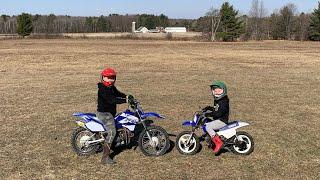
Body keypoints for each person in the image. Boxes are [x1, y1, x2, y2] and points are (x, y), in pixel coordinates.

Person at [97, 67, 129, 165]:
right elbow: (112, 100)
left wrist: (126, 96)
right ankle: (105, 158)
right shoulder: (103, 89)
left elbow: (117, 93)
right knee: (112, 132)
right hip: (104, 114)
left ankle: (116, 143)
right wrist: (125, 101)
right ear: (103, 78)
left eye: (113, 77)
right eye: (108, 77)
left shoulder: (111, 87)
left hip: (110, 113)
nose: (111, 80)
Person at [203, 80, 229, 154]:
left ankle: (218, 143)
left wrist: (209, 114)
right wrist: (208, 108)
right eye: (215, 90)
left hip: (222, 121)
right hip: (218, 119)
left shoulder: (224, 101)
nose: (216, 92)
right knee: (207, 122)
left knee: (208, 127)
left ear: (223, 91)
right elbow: (216, 109)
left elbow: (218, 113)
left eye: (219, 90)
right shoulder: (218, 100)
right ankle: (212, 141)